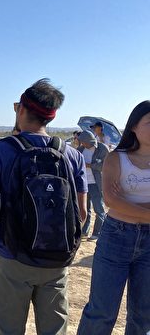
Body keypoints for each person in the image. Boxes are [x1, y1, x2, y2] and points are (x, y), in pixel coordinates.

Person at [0, 79, 87, 335]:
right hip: (56, 261)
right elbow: (80, 213)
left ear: (21, 110)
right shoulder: (72, 155)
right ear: (52, 115)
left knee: (9, 329)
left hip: (13, 256)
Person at [78, 100, 150, 335]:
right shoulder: (116, 158)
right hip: (117, 237)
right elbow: (111, 200)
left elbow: (120, 203)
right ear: (134, 126)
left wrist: (127, 203)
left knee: (143, 315)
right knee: (101, 312)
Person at [77, 130, 109, 240]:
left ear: (89, 141)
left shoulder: (102, 148)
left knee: (99, 210)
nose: (82, 144)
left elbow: (107, 165)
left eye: (83, 142)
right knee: (85, 209)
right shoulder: (80, 150)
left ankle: (97, 233)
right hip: (83, 184)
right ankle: (84, 231)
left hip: (97, 184)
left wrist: (90, 165)